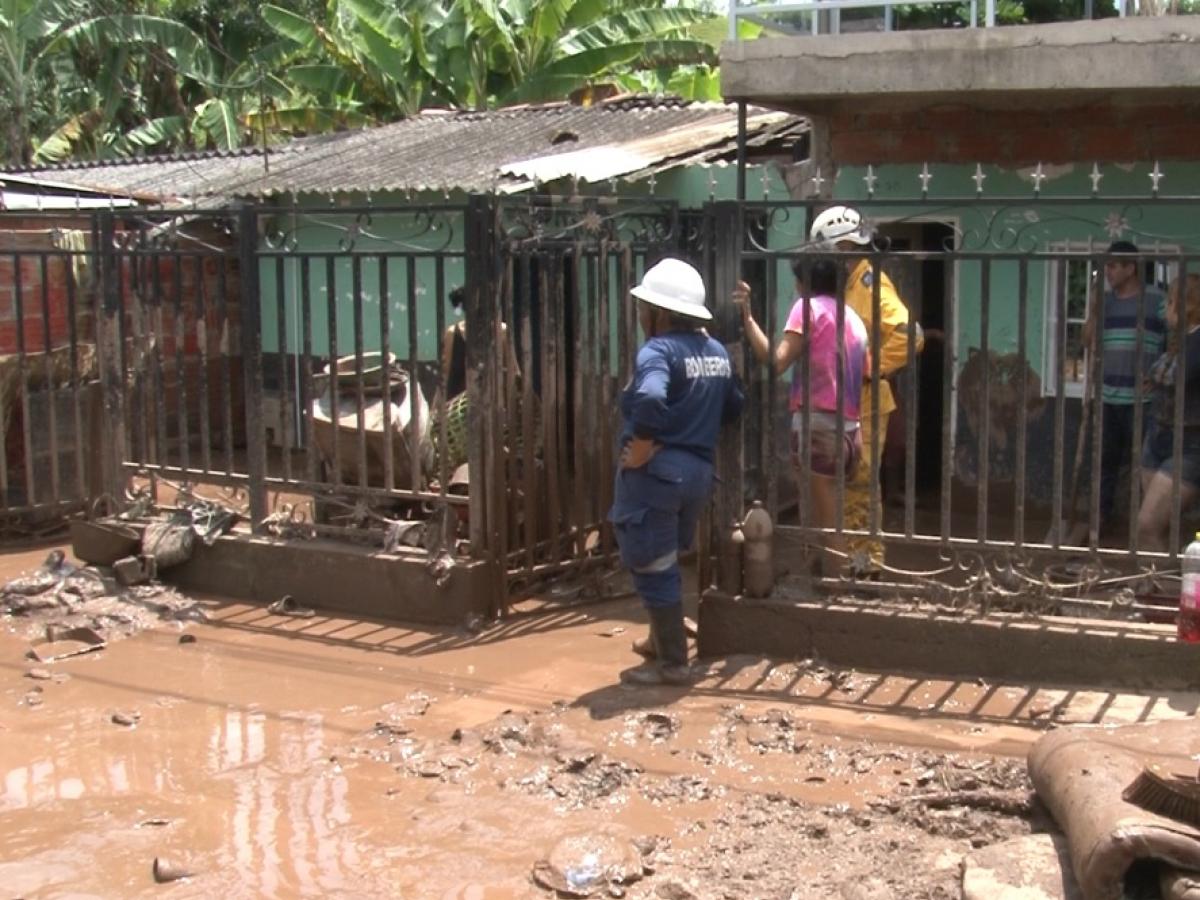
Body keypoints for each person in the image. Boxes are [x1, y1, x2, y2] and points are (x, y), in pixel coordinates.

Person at [610, 257, 744, 686]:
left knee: (652, 562)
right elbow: (735, 406)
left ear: (661, 314)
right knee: (665, 557)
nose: (641, 316)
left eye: (645, 308)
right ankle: (657, 640)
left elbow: (649, 399)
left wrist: (645, 446)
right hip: (698, 473)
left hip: (657, 475)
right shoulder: (717, 351)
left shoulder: (658, 350)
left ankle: (672, 663)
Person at [732, 258, 870, 575]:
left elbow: (776, 361)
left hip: (819, 427)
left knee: (827, 520)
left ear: (804, 283)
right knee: (829, 513)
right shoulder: (852, 317)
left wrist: (749, 320)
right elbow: (866, 373)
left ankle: (835, 591)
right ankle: (819, 573)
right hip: (851, 430)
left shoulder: (806, 308)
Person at [809, 206, 919, 575]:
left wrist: (872, 367)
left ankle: (865, 563)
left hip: (868, 400)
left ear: (842, 245)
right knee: (842, 479)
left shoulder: (870, 281)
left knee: (859, 482)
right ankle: (845, 557)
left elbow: (909, 334)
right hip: (846, 400)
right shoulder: (848, 283)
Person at [1081, 241, 1167, 537]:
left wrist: (1159, 375)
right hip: (1107, 395)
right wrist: (1094, 308)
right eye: (1107, 266)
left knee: (1145, 466)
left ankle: (1146, 526)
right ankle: (1100, 520)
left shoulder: (1157, 300)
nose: (1108, 271)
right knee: (1104, 462)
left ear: (1131, 268)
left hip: (1143, 399)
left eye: (1115, 266)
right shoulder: (1105, 302)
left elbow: (1177, 343)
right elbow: (1087, 340)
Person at [1137, 274, 1200, 552]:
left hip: (1189, 443)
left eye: (1171, 301)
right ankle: (1157, 587)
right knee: (1160, 527)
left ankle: (1168, 588)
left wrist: (1158, 377)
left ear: (1188, 306)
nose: (1166, 308)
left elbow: (1179, 375)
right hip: (1159, 433)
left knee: (1148, 524)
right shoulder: (1181, 338)